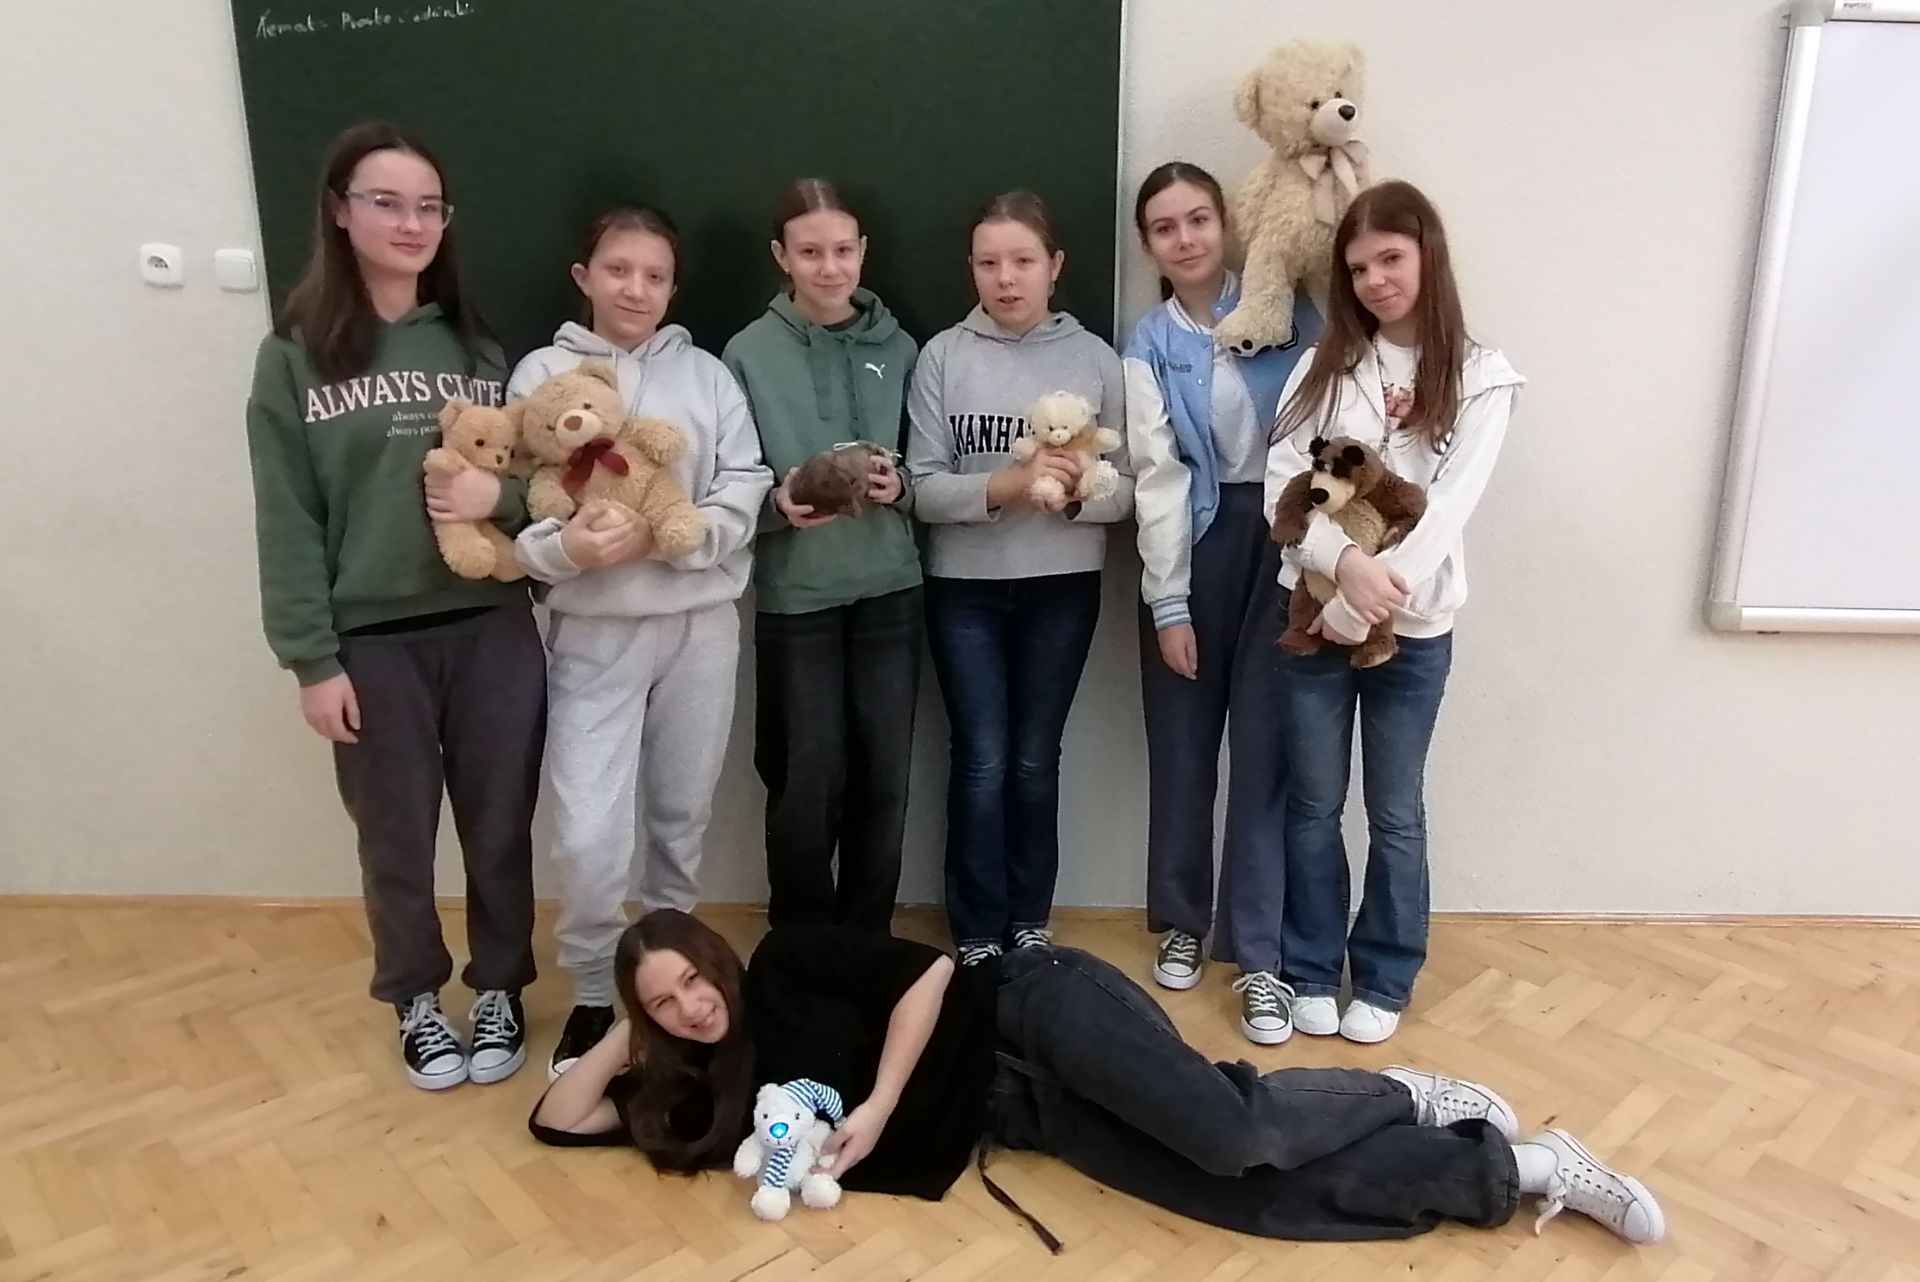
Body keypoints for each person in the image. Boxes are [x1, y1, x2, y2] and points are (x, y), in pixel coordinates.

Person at [529, 911, 1666, 1248]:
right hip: (1020, 1113)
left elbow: (929, 972)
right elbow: (554, 1120)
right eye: (667, 1002)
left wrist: (874, 1108)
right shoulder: (711, 1091)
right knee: (1250, 1199)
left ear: (718, 957)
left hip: (1031, 1005)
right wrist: (628, 1031)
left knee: (1231, 1132)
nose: (694, 1004)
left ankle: (1399, 1092)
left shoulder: (784, 961)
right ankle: (1519, 1169)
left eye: (693, 978)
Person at [244, 121, 543, 1091]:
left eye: (429, 206)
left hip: (492, 626)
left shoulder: (477, 344)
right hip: (372, 644)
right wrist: (311, 658)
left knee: (500, 828)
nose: (411, 223)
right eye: (386, 202)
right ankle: (416, 996)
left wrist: (501, 500)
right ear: (340, 211)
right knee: (396, 841)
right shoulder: (292, 355)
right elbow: (287, 513)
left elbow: (535, 483)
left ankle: (499, 986)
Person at [511, 206, 774, 1080]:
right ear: (583, 276)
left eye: (655, 276)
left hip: (700, 626)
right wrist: (569, 550)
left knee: (679, 814)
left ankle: (677, 980)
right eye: (619, 270)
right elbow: (517, 512)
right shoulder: (542, 375)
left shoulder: (707, 375)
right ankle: (596, 990)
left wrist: (679, 538)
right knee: (590, 832)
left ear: (673, 287)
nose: (636, 290)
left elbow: (746, 482)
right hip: (593, 635)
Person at [1264, 180, 1525, 1044]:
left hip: (1412, 635)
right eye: (1358, 267)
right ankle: (1309, 968)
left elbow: (1445, 510)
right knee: (1312, 803)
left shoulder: (1482, 377)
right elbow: (1282, 491)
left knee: (1396, 812)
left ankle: (1384, 974)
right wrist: (1341, 567)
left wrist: (1368, 601)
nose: (1375, 280)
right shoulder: (1325, 366)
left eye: (1391, 259)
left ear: (1427, 255)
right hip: (1313, 622)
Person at [905, 190, 1135, 965]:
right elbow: (922, 489)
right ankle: (976, 929)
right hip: (962, 589)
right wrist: (1007, 485)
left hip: (1062, 586)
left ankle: (1029, 918)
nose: (1006, 278)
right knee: (981, 758)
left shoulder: (1095, 360)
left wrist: (1073, 496)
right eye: (989, 263)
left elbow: (1127, 493)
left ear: (1055, 266)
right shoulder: (942, 357)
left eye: (1023, 261)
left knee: (1036, 758)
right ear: (971, 268)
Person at [1125, 161, 1324, 1045]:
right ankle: (1181, 919)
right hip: (1194, 544)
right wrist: (1169, 605)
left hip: (1283, 543)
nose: (1186, 239)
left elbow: (1324, 434)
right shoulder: (1149, 341)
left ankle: (1259, 956)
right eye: (1165, 227)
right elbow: (1158, 475)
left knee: (1267, 749)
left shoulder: (1290, 313)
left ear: (1226, 225)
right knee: (1181, 740)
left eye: (1198, 218)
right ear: (1148, 246)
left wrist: (1317, 558)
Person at [722, 179, 922, 932]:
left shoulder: (900, 347)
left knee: (883, 776)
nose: (830, 268)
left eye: (843, 250)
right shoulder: (747, 353)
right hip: (796, 597)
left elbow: (926, 464)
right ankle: (802, 942)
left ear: (863, 251)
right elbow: (729, 478)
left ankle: (866, 937)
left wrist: (900, 485)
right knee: (805, 778)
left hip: (890, 591)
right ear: (782, 256)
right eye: (810, 253)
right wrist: (777, 505)